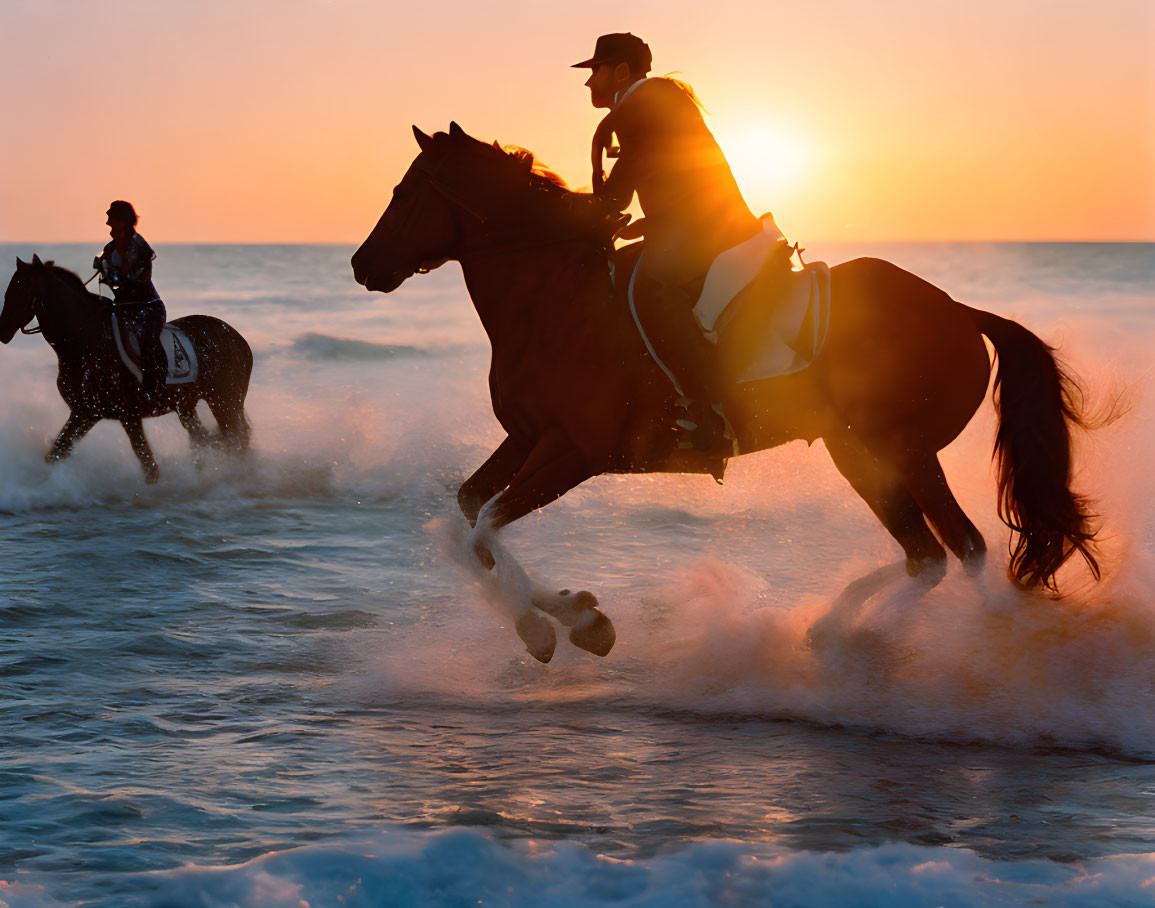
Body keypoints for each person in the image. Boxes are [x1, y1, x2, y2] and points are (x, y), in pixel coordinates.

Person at [573, 33, 785, 452]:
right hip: (694, 223)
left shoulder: (640, 105)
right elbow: (671, 181)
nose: (588, 81)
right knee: (625, 275)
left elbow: (615, 197)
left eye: (594, 69)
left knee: (649, 290)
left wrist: (563, 211)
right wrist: (642, 226)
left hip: (708, 228)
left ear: (620, 71)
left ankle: (713, 408)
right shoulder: (650, 102)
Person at [94, 200, 167, 404]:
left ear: (121, 221)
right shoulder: (110, 247)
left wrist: (111, 271)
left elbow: (135, 278)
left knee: (148, 341)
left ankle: (155, 385)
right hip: (122, 309)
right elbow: (110, 278)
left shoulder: (139, 245)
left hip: (148, 308)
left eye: (111, 219)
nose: (107, 223)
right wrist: (103, 265)